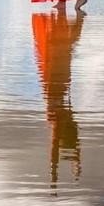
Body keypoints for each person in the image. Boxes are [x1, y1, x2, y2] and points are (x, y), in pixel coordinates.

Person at [32, 10, 85, 188]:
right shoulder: (59, 121)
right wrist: (71, 165)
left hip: (57, 80)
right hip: (58, 79)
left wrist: (55, 173)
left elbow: (57, 149)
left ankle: (59, 22)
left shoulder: (58, 122)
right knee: (60, 45)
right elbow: (62, 149)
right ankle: (59, 22)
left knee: (60, 45)